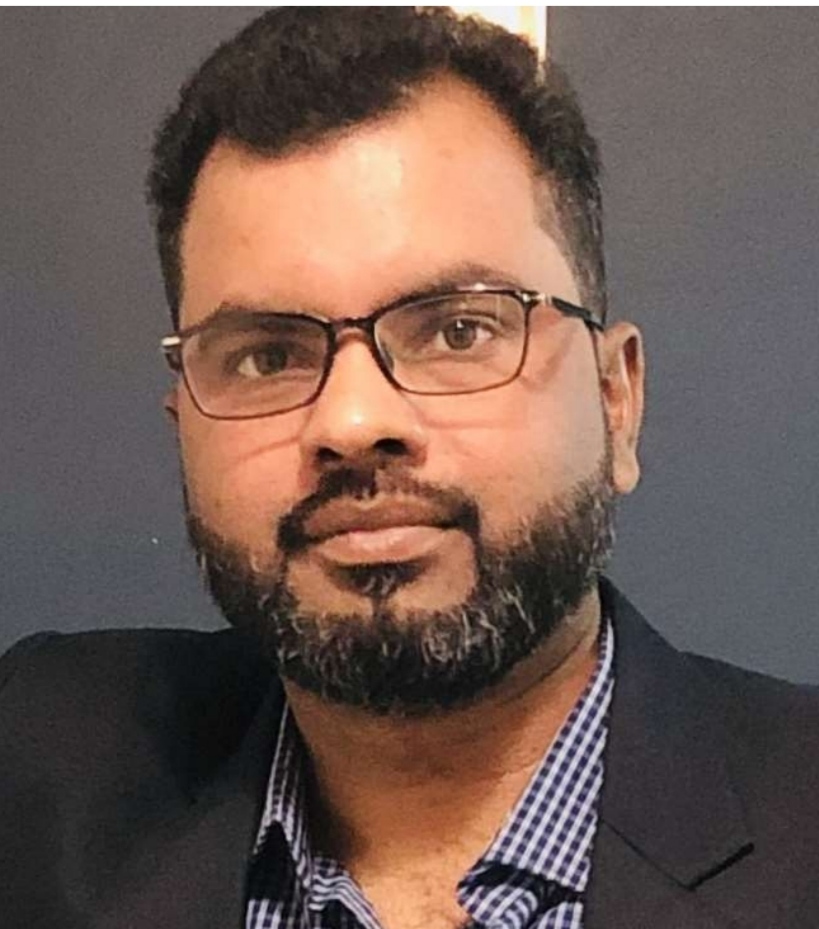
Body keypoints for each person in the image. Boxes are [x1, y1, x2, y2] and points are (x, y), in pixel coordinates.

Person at [1, 8, 817, 929]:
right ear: (182, 421)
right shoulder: (45, 766)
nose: (353, 422)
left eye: (458, 329)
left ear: (614, 399)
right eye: (267, 355)